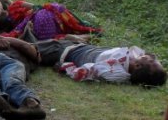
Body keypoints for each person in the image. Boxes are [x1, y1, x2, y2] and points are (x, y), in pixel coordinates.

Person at [31, 37, 167, 86]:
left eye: (153, 61)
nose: (152, 57)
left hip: (63, 52)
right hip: (75, 44)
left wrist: (65, 67)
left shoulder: (114, 71)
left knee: (26, 48)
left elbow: (84, 72)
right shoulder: (133, 60)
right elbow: (141, 52)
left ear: (137, 66)